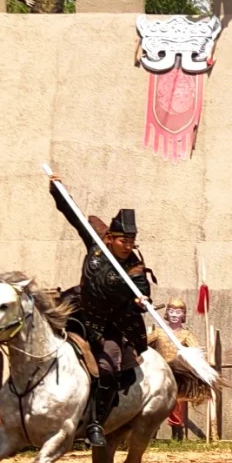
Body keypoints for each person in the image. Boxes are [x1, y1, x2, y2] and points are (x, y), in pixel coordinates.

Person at [49, 178, 152, 447]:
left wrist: (141, 302)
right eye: (124, 240)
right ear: (110, 238)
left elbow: (143, 293)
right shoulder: (95, 245)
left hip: (110, 325)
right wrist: (58, 191)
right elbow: (73, 214)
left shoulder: (135, 268)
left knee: (107, 369)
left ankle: (95, 423)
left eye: (132, 241)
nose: (128, 245)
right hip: (77, 310)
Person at [148, 297, 209, 440]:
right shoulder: (158, 332)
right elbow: (142, 344)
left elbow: (196, 352)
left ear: (183, 315)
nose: (174, 315)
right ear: (167, 313)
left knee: (176, 404)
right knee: (155, 403)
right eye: (171, 311)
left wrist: (201, 364)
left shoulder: (186, 334)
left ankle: (177, 435)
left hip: (177, 375)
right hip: (160, 373)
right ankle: (152, 434)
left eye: (178, 312)